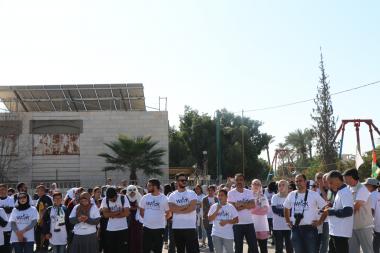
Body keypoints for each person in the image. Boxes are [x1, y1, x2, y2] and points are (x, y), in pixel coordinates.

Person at [283, 174, 326, 253]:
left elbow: (326, 208)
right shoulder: (291, 194)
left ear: (305, 182)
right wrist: (287, 221)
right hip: (295, 228)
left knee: (312, 251)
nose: (298, 183)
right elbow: (286, 208)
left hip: (310, 228)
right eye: (296, 181)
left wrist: (320, 221)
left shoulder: (313, 194)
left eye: (300, 181)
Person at [321, 170, 354, 253]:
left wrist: (330, 212)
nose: (329, 185)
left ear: (337, 179)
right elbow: (340, 208)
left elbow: (348, 211)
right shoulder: (340, 191)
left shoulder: (345, 192)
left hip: (341, 233)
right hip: (336, 231)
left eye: (331, 182)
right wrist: (331, 207)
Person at [343, 168, 374, 253]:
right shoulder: (347, 188)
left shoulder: (362, 189)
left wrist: (340, 213)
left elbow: (356, 206)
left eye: (345, 178)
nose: (344, 180)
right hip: (352, 227)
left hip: (364, 226)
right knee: (352, 250)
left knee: (367, 250)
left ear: (351, 177)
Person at [168, 173, 199, 253]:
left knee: (192, 251)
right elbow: (172, 209)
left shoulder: (192, 193)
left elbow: (192, 208)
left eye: (185, 180)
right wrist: (186, 206)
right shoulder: (172, 195)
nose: (184, 181)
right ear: (177, 182)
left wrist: (178, 208)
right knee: (180, 250)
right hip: (177, 227)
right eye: (182, 180)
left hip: (190, 227)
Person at [227, 173, 258, 253]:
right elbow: (232, 208)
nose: (239, 182)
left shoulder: (249, 192)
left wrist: (240, 204)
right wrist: (246, 204)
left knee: (253, 247)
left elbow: (253, 205)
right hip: (237, 224)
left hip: (249, 223)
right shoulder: (231, 193)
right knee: (238, 248)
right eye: (237, 180)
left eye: (241, 180)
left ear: (244, 181)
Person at [140, 178, 171, 253]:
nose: (147, 187)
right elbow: (141, 211)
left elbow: (169, 214)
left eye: (149, 186)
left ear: (155, 186)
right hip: (146, 228)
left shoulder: (164, 198)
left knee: (157, 250)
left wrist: (161, 221)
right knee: (145, 249)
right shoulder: (145, 197)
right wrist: (148, 220)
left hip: (159, 229)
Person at [208, 189, 239, 253]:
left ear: (226, 197)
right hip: (216, 234)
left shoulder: (230, 207)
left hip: (228, 235)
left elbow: (236, 220)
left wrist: (226, 221)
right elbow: (209, 219)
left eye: (222, 195)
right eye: (219, 195)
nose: (220, 197)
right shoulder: (214, 206)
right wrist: (217, 210)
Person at [101, 187, 130, 253]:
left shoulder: (123, 198)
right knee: (111, 249)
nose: (112, 200)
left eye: (113, 198)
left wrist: (111, 214)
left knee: (123, 249)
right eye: (110, 199)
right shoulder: (105, 200)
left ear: (116, 194)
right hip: (110, 229)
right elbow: (105, 215)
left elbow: (127, 213)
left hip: (123, 228)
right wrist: (118, 212)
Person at [271, 180, 293, 253]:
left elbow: (292, 211)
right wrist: (286, 212)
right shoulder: (274, 196)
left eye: (283, 185)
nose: (281, 187)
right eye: (279, 185)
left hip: (289, 226)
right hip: (277, 227)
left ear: (287, 187)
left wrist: (282, 213)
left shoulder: (291, 197)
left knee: (289, 248)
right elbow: (274, 210)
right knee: (279, 249)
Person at [251, 179, 270, 253]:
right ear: (251, 185)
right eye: (254, 184)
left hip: (262, 225)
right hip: (251, 224)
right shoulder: (248, 196)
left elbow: (265, 211)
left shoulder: (263, 196)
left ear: (260, 186)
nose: (256, 185)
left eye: (258, 184)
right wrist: (259, 209)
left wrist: (254, 209)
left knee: (263, 247)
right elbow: (248, 210)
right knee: (252, 248)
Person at [35, 184, 53, 253]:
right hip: (39, 220)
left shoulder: (46, 198)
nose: (38, 192)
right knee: (38, 235)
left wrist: (42, 219)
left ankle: (43, 249)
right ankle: (40, 248)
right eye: (37, 191)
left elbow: (46, 209)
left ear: (43, 191)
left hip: (44, 221)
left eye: (39, 191)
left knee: (44, 236)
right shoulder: (40, 198)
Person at [125, 185, 143, 253]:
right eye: (130, 190)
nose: (132, 192)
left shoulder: (139, 197)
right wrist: (134, 208)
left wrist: (136, 207)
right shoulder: (125, 197)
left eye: (133, 190)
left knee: (137, 236)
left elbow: (142, 207)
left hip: (137, 220)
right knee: (129, 236)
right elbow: (125, 208)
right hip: (128, 219)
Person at [202, 185, 218, 253]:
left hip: (216, 220)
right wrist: (212, 207)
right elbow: (205, 210)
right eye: (209, 190)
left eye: (212, 190)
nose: (210, 192)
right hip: (207, 220)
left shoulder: (217, 199)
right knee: (209, 236)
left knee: (215, 236)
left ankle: (216, 249)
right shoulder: (204, 199)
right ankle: (211, 250)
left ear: (214, 191)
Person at [0, 184, 14, 253]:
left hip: (8, 227)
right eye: (0, 190)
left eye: (3, 189)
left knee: (7, 247)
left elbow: (10, 210)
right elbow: (7, 209)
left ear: (6, 190)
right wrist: (5, 208)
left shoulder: (11, 199)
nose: (1, 191)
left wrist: (2, 208)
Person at [369, 178, 380, 253]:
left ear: (371, 186)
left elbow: (371, 210)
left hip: (377, 224)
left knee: (375, 245)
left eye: (366, 185)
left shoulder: (372, 195)